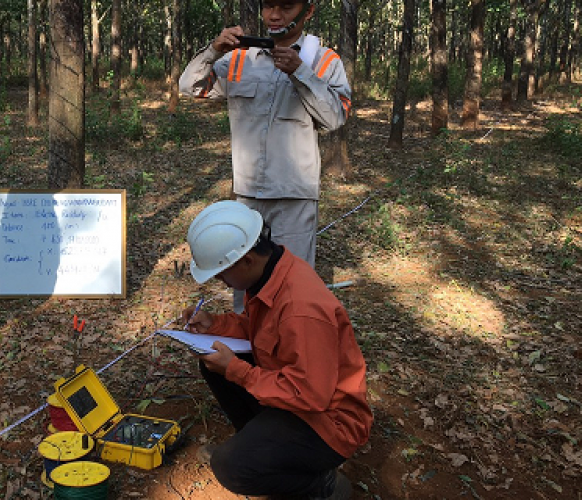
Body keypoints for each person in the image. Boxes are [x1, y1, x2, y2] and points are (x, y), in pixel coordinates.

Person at [181, 201, 372, 499]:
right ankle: (262, 447)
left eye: (221, 273)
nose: (220, 281)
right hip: (298, 395)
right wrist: (214, 324)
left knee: (230, 467)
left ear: (246, 260)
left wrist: (237, 370)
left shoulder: (301, 309)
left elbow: (310, 394)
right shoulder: (272, 271)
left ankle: (321, 486)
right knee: (212, 362)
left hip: (329, 423)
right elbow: (259, 329)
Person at [179, 0, 352, 312]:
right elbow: (190, 86)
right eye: (268, 6)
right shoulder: (238, 59)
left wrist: (301, 73)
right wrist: (213, 50)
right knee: (244, 289)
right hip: (246, 198)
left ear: (308, 11)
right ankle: (246, 354)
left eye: (286, 7)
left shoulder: (324, 61)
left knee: (294, 290)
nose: (274, 15)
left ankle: (291, 357)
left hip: (293, 198)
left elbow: (336, 118)